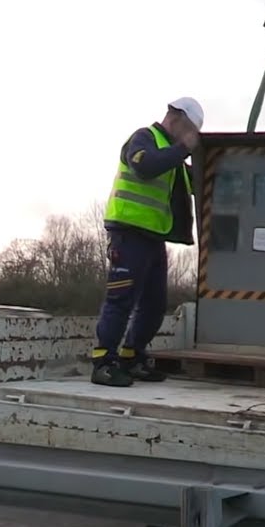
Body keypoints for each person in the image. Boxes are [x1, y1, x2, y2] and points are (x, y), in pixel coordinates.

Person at [90, 97, 204, 387]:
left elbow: (195, 183)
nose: (189, 138)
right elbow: (145, 166)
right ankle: (104, 362)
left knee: (154, 305)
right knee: (121, 299)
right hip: (128, 234)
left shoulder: (173, 156)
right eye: (190, 130)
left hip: (153, 237)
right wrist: (184, 149)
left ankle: (132, 357)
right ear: (176, 118)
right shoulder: (144, 138)